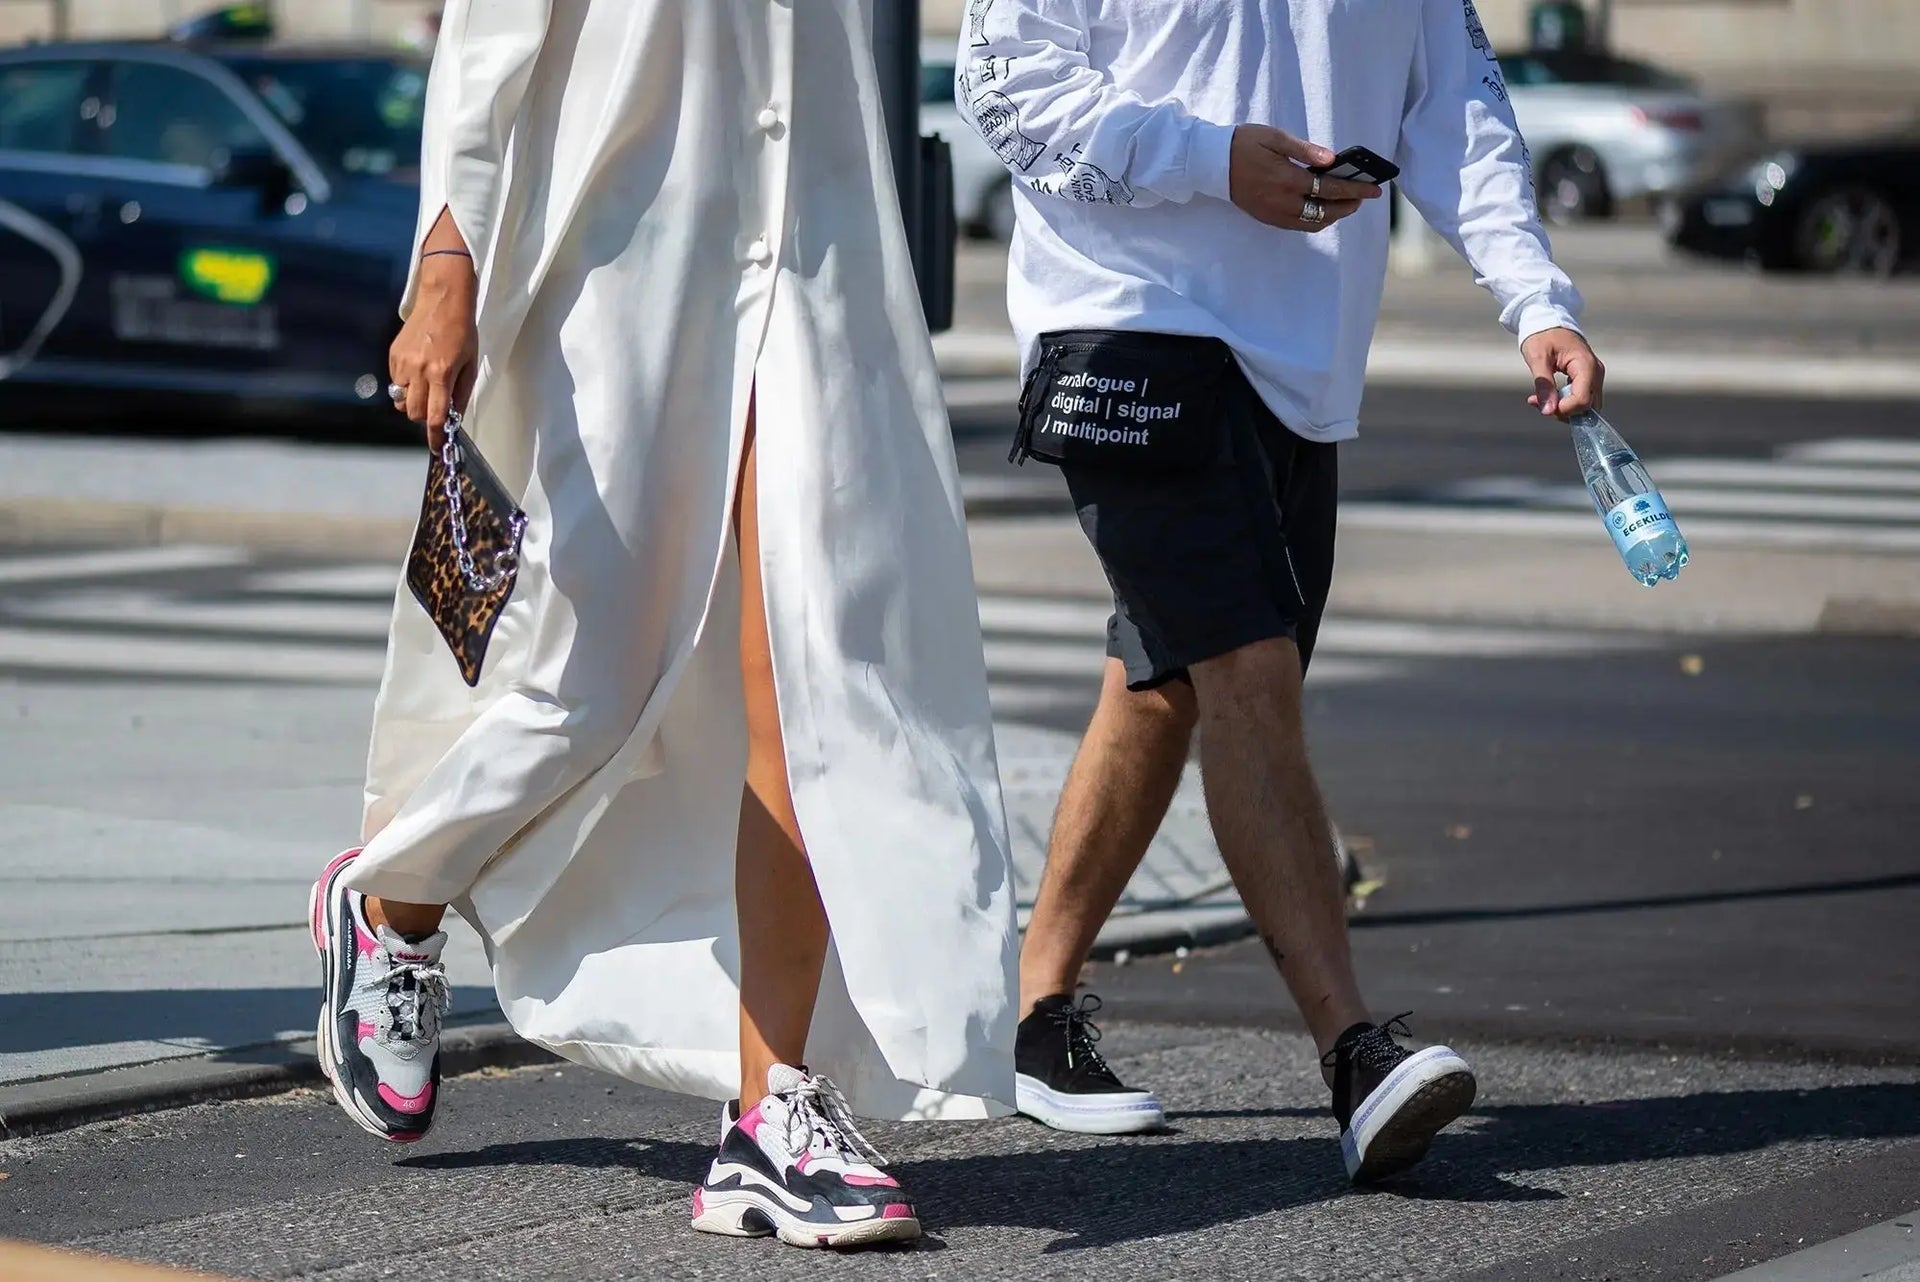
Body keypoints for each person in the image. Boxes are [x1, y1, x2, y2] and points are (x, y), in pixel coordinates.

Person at [312, 0, 1021, 1249]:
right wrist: (448, 261)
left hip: (820, 257)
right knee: (582, 684)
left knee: (825, 688)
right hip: (625, 265)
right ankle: (394, 900)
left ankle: (773, 1114)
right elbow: (489, 40)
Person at [960, 0, 1605, 1183]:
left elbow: (1456, 112)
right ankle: (1356, 1056)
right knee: (1247, 670)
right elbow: (1004, 86)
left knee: (1169, 680)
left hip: (1301, 357)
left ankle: (1032, 1014)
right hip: (1126, 323)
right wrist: (1209, 160)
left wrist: (1537, 300)